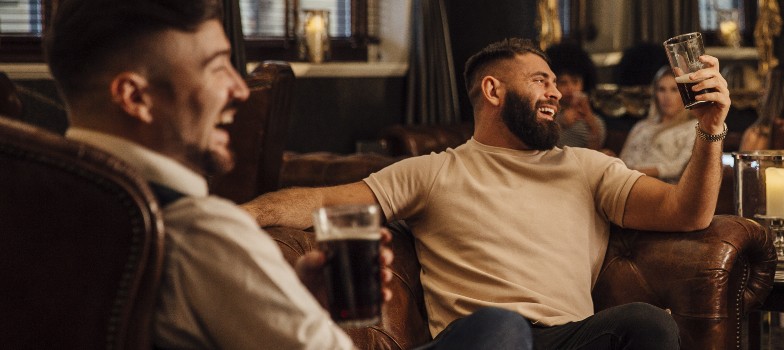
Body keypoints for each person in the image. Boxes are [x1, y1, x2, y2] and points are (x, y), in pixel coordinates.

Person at [43, 0, 530, 349]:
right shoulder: (202, 235)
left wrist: (297, 299)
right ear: (135, 97)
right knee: (501, 329)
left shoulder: (36, 206)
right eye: (217, 67)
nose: (240, 89)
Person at [241, 38, 732, 350]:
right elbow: (326, 202)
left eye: (555, 83)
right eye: (541, 81)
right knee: (503, 328)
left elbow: (686, 213)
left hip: (565, 337)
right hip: (477, 338)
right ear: (494, 91)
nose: (557, 93)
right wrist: (240, 215)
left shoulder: (589, 168)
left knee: (648, 324)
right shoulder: (433, 172)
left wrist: (711, 128)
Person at [617, 68, 700, 183]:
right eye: (661, 89)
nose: (667, 96)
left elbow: (678, 167)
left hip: (662, 188)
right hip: (625, 182)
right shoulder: (641, 126)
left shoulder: (692, 127)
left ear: (684, 94)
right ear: (655, 93)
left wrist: (637, 173)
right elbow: (623, 159)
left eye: (674, 90)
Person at [545, 42, 607, 150]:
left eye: (575, 81)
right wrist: (561, 124)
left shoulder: (595, 120)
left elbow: (594, 153)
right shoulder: (545, 117)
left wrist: (591, 121)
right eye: (563, 82)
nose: (570, 88)